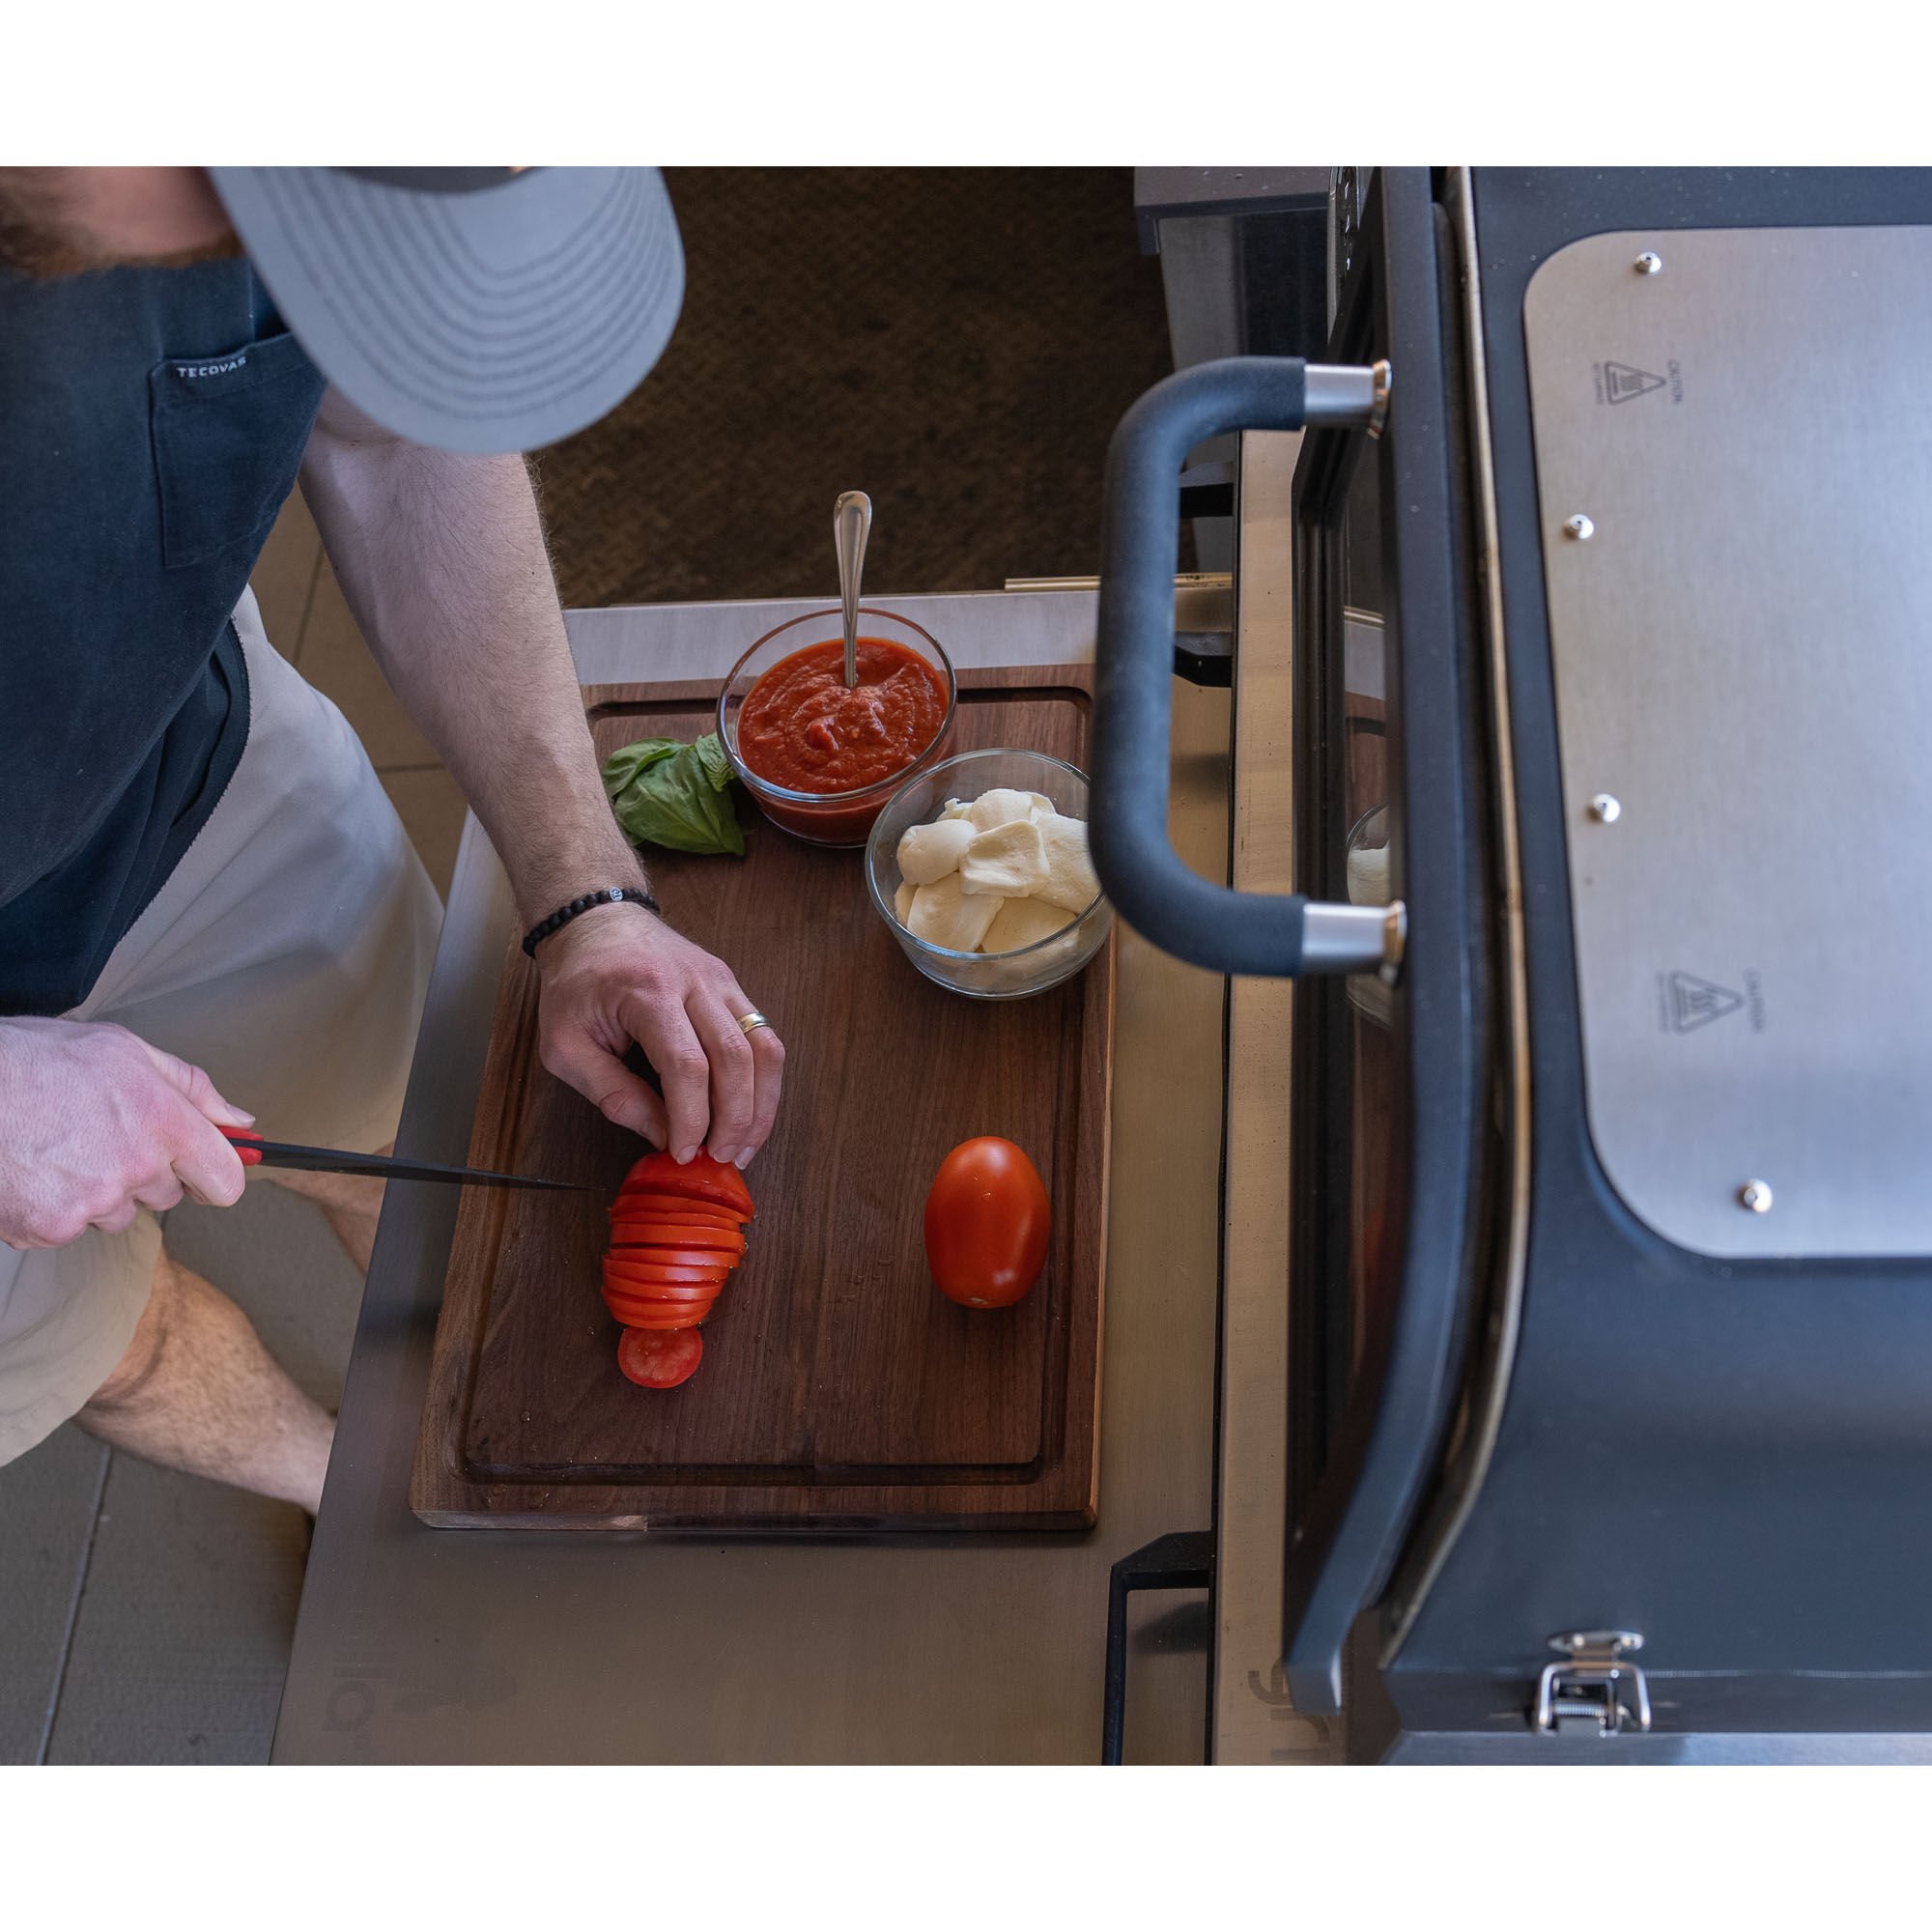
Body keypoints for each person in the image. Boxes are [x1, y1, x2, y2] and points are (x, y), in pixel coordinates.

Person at [0, 166, 785, 1515]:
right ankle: (348, 1502)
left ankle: (443, 1438)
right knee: (104, 1352)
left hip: (185, 787)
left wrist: (585, 891)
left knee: (401, 1142)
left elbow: (388, 435)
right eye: (258, 196)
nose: (262, 253)